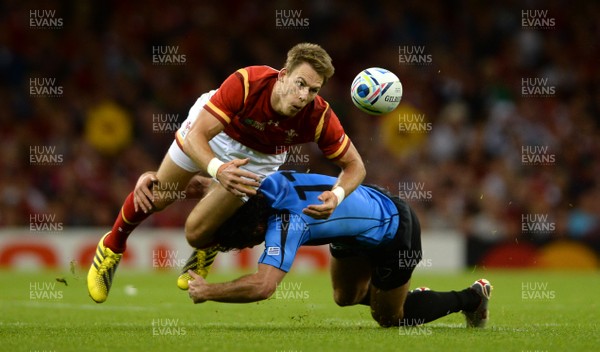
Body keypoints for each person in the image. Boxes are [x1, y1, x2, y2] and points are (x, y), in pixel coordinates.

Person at [87, 43, 366, 303]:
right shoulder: (247, 83)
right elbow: (198, 135)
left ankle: (207, 247)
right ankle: (112, 247)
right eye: (300, 84)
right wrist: (218, 170)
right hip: (213, 133)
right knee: (158, 197)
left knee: (199, 233)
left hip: (259, 159)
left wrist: (338, 194)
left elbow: (355, 166)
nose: (304, 96)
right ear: (283, 76)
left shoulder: (319, 116)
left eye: (313, 90)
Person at [187, 171, 492, 328]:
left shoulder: (288, 223)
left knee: (389, 319)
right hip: (355, 229)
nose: (253, 244)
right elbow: (213, 187)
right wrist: (172, 186)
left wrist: (208, 291)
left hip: (392, 227)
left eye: (250, 241)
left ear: (257, 228)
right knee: (345, 298)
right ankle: (400, 294)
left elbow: (263, 286)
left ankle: (471, 298)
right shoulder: (258, 186)